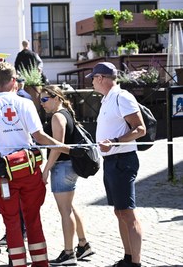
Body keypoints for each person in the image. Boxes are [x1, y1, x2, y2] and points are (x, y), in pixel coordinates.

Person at [0, 62, 71, 267]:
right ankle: (40, 263)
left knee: (12, 222)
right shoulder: (25, 104)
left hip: (3, 174)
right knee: (33, 219)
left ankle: (18, 264)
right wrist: (64, 147)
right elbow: (39, 136)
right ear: (14, 81)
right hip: (28, 170)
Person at [87, 62, 145, 267]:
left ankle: (135, 263)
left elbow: (140, 129)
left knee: (127, 212)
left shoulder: (122, 97)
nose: (92, 82)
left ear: (101, 78)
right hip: (112, 161)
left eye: (93, 78)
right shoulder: (107, 99)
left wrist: (115, 143)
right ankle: (128, 258)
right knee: (119, 211)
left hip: (123, 160)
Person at [40, 85, 94, 265]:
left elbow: (57, 147)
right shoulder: (66, 113)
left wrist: (46, 169)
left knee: (65, 211)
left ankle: (69, 253)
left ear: (56, 98)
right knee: (69, 207)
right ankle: (83, 244)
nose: (42, 104)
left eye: (45, 99)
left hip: (62, 167)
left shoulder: (57, 116)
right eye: (41, 100)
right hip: (69, 167)